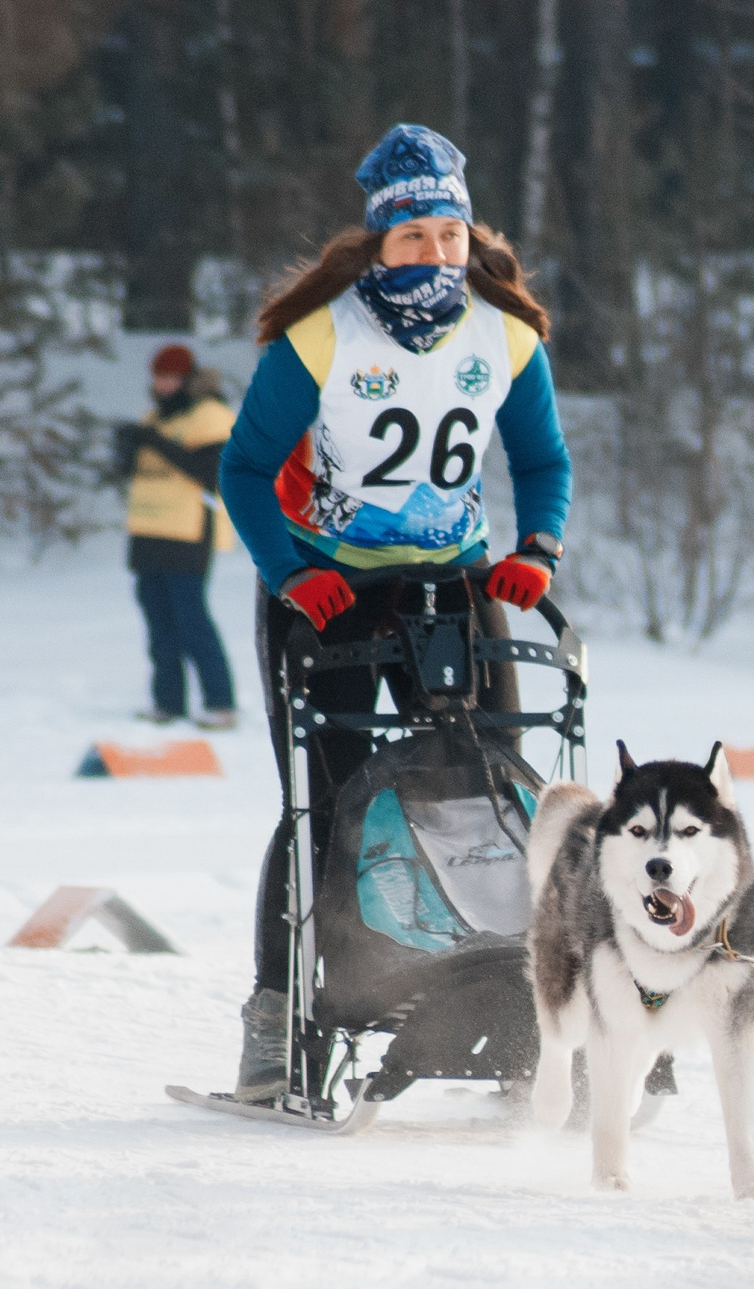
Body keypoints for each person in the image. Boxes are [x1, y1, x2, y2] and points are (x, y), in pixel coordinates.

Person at [215, 123, 571, 1103]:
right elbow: (244, 471)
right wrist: (292, 573)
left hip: (454, 583)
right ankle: (276, 1019)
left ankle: (508, 1008)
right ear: (378, 244)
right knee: (324, 807)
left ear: (468, 235)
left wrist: (534, 549)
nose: (434, 253)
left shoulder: (505, 334)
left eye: (447, 235)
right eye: (412, 237)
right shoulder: (323, 335)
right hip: (326, 590)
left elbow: (541, 462)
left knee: (494, 787)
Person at [118, 343, 239, 730]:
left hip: (189, 534)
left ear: (188, 379)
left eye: (171, 377)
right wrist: (125, 447)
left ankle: (220, 702)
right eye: (158, 377)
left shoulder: (211, 415)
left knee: (191, 619)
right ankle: (167, 701)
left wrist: (151, 441)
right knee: (157, 621)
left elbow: (209, 472)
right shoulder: (155, 416)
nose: (163, 384)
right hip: (149, 533)